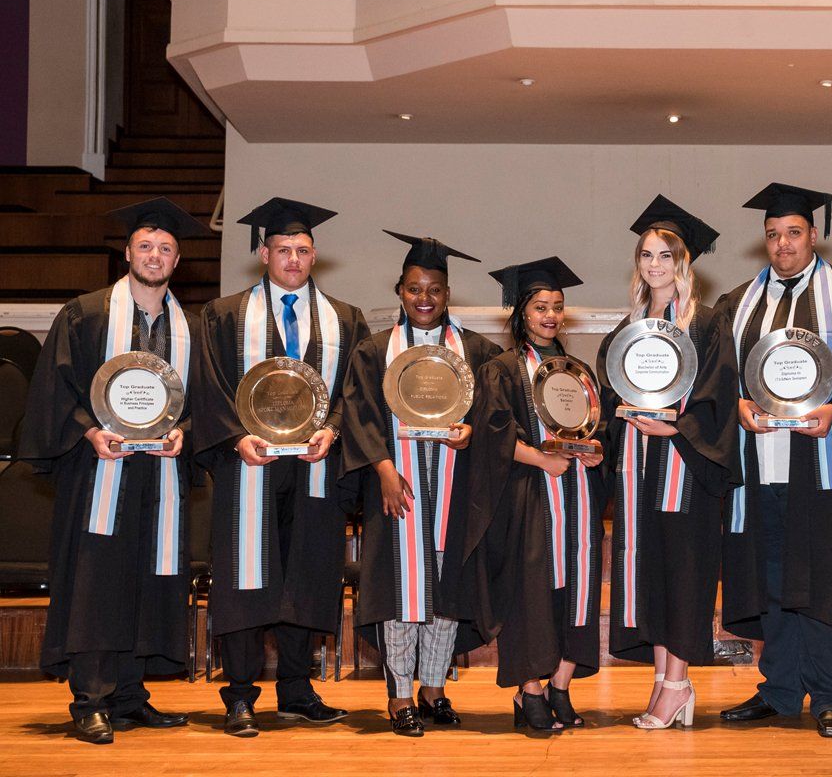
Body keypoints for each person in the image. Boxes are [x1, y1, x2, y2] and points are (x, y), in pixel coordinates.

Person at [18, 199, 207, 744]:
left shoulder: (191, 327)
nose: (155, 255)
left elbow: (205, 402)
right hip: (101, 470)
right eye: (145, 246)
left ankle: (129, 696)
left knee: (148, 579)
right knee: (98, 581)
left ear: (177, 260)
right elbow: (55, 387)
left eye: (165, 248)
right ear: (127, 253)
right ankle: (90, 699)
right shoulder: (86, 313)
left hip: (159, 477)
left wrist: (185, 432)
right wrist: (88, 430)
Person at [715, 183, 832, 739]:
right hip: (760, 461)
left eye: (793, 233)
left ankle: (831, 694)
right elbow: (720, 375)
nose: (782, 244)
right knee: (771, 575)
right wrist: (738, 405)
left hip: (823, 460)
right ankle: (778, 690)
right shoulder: (739, 304)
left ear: (814, 235)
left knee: (822, 577)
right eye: (772, 235)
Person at [191, 197, 369, 737]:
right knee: (247, 577)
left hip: (315, 465)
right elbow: (210, 386)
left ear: (315, 256)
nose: (293, 258)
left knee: (308, 574)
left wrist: (333, 428)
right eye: (283, 249)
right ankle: (240, 695)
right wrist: (236, 437)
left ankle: (296, 689)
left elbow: (353, 392)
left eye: (303, 250)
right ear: (263, 253)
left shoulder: (346, 319)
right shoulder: (223, 316)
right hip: (249, 465)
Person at [339, 232, 502, 736]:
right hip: (398, 489)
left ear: (448, 293)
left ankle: (434, 689)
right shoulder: (372, 351)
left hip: (453, 491)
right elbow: (358, 414)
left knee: (443, 592)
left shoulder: (476, 351)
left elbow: (495, 415)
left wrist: (472, 429)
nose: (424, 299)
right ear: (400, 291)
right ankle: (400, 696)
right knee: (400, 595)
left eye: (434, 289)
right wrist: (384, 470)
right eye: (414, 289)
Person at [596, 196, 737, 730]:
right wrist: (619, 417)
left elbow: (721, 397)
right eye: (646, 254)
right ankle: (664, 682)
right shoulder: (629, 328)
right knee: (650, 572)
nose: (654, 263)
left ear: (683, 263)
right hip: (639, 466)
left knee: (682, 572)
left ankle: (676, 683)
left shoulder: (705, 325)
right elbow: (611, 397)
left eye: (665, 254)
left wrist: (677, 426)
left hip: (686, 466)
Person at [480, 257, 606, 733]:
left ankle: (561, 686)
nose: (549, 315)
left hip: (577, 496)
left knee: (576, 589)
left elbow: (596, 429)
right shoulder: (503, 370)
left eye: (556, 306)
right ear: (521, 313)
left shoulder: (575, 370)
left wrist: (594, 451)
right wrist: (543, 460)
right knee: (529, 593)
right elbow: (494, 437)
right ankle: (529, 691)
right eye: (539, 307)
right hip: (529, 495)